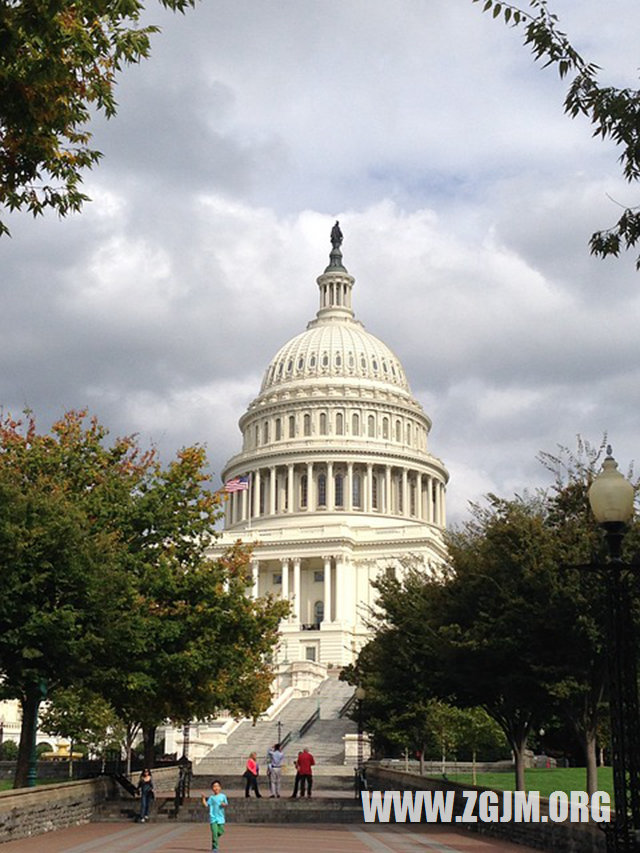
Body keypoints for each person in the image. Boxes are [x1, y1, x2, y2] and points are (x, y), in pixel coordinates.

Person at [201, 779, 228, 852]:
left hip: (221, 818)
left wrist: (223, 804)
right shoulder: (211, 798)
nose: (216, 788)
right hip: (213, 818)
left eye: (217, 786)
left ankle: (215, 838)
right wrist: (203, 798)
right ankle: (215, 847)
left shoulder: (223, 796)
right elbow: (206, 805)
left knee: (221, 831)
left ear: (220, 787)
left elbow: (226, 804)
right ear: (212, 788)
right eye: (214, 786)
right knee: (214, 832)